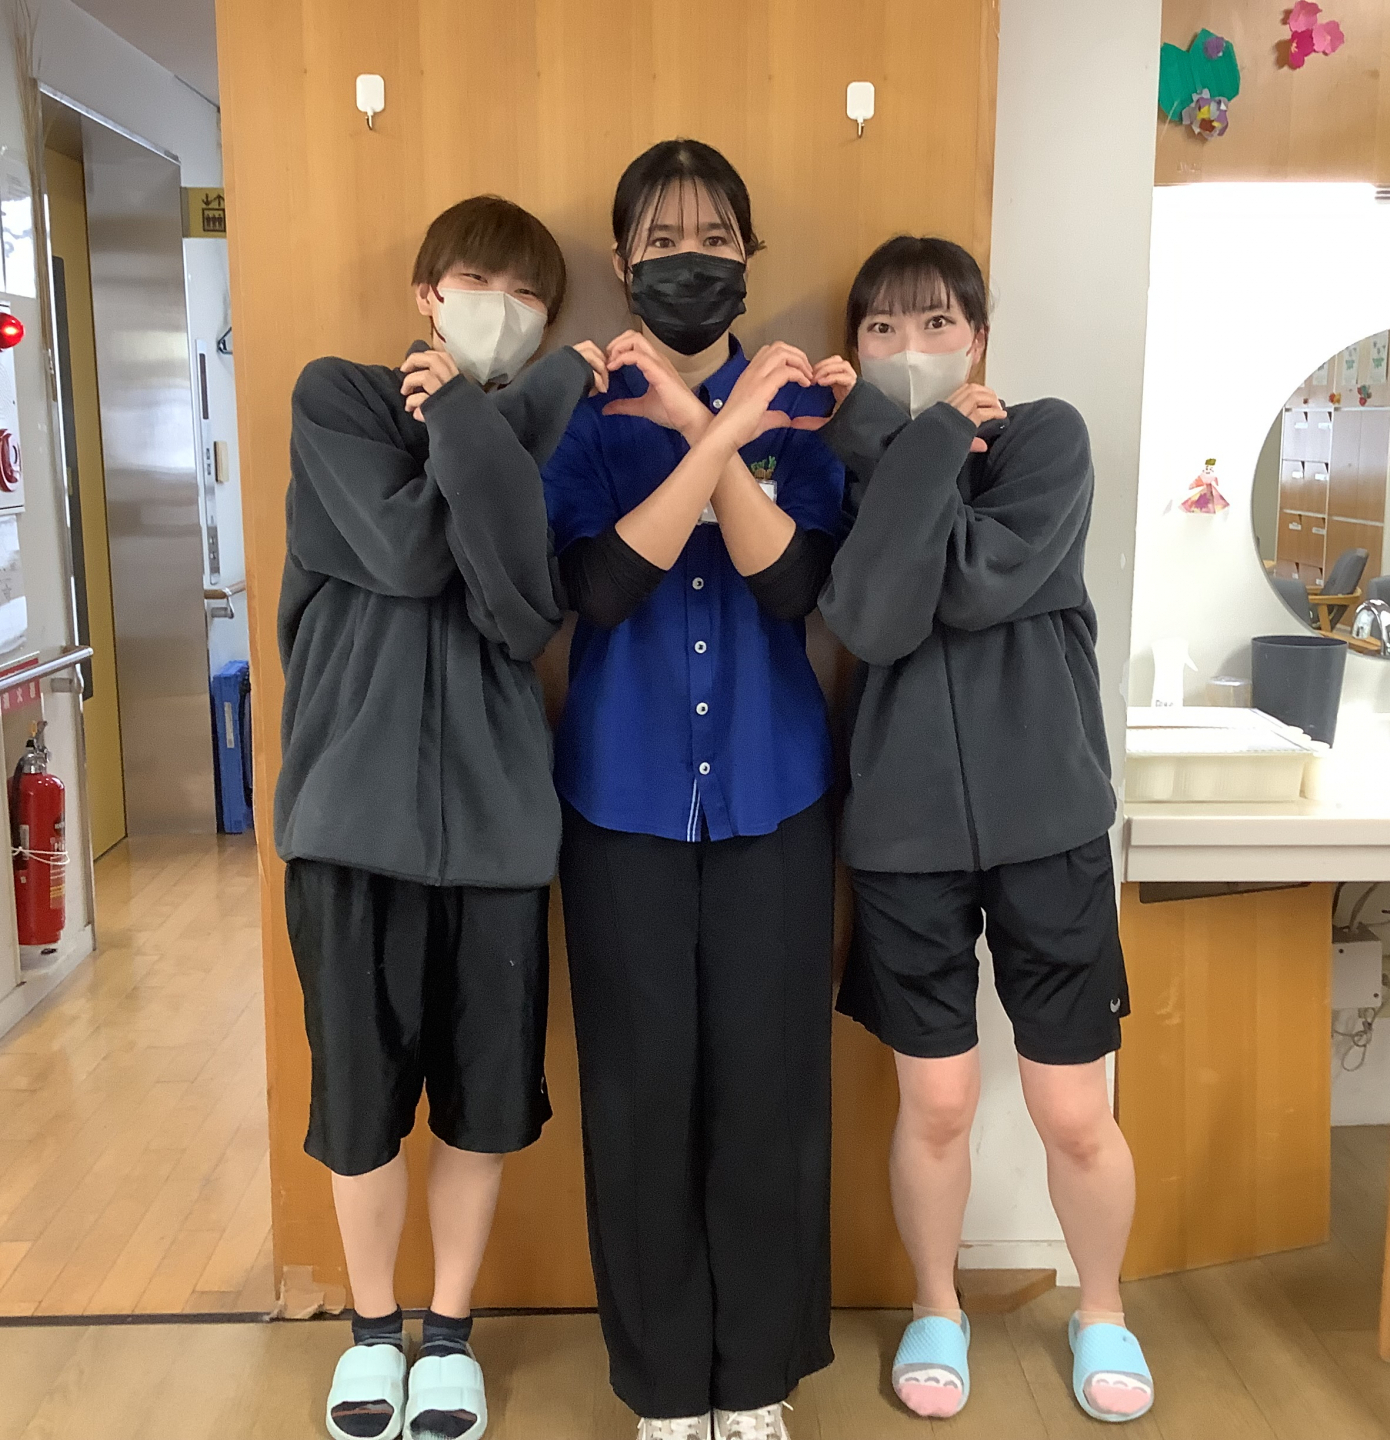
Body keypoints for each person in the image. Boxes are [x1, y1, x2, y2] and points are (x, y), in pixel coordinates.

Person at [276, 194, 608, 1440]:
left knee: (483, 1100)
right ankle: (373, 1333)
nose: (503, 313)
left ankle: (451, 1335)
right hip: (348, 827)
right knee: (359, 1101)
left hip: (499, 834)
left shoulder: (547, 446)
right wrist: (515, 417)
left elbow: (525, 612)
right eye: (480, 284)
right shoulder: (339, 401)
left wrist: (479, 421)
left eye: (531, 301)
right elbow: (415, 555)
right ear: (428, 294)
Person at [810, 236, 1152, 1425]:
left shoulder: (1045, 438)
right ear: (856, 349)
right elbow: (870, 617)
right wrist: (900, 446)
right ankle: (935, 1306)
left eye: (937, 324)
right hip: (902, 833)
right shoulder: (849, 463)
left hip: (1047, 822)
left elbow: (975, 582)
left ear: (980, 339)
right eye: (883, 329)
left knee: (1074, 1111)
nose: (911, 348)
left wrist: (907, 452)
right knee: (939, 1103)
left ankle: (1101, 1307)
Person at [541, 139, 844, 1440]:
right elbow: (602, 589)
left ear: (748, 257)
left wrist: (712, 428)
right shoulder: (582, 415)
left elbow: (792, 589)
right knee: (639, 1101)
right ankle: (668, 1389)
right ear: (622, 264)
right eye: (662, 242)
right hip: (623, 804)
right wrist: (712, 429)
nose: (689, 262)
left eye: (715, 239)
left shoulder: (807, 412)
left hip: (776, 801)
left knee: (770, 1100)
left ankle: (756, 1381)